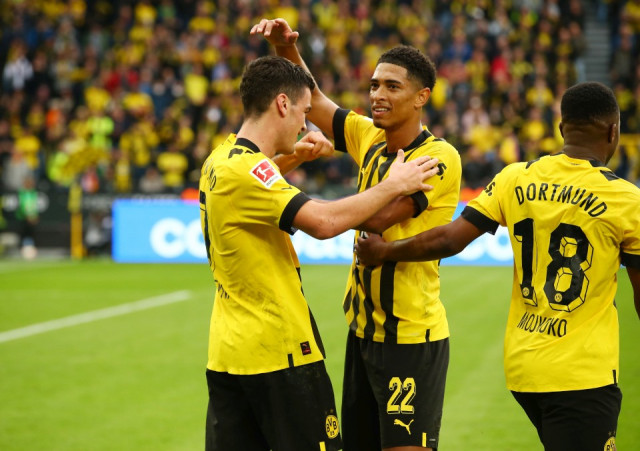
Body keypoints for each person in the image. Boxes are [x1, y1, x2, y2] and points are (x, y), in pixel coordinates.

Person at [356, 82, 640, 451]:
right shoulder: (626, 199)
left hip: (523, 366)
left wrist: (385, 251)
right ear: (613, 132)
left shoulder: (515, 177)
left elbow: (450, 239)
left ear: (560, 128)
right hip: (583, 373)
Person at [199, 55, 440, 451]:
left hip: (228, 352)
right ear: (282, 104)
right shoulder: (250, 172)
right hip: (279, 350)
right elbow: (324, 223)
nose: (304, 124)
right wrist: (393, 184)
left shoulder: (220, 159)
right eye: (303, 112)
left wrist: (295, 156)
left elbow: (256, 185)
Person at [252, 18, 462, 451]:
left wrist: (306, 209)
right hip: (363, 331)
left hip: (409, 336)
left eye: (392, 87)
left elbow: (379, 217)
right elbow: (316, 101)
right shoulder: (369, 137)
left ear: (422, 97)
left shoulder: (438, 157)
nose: (377, 95)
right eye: (374, 85)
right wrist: (285, 48)